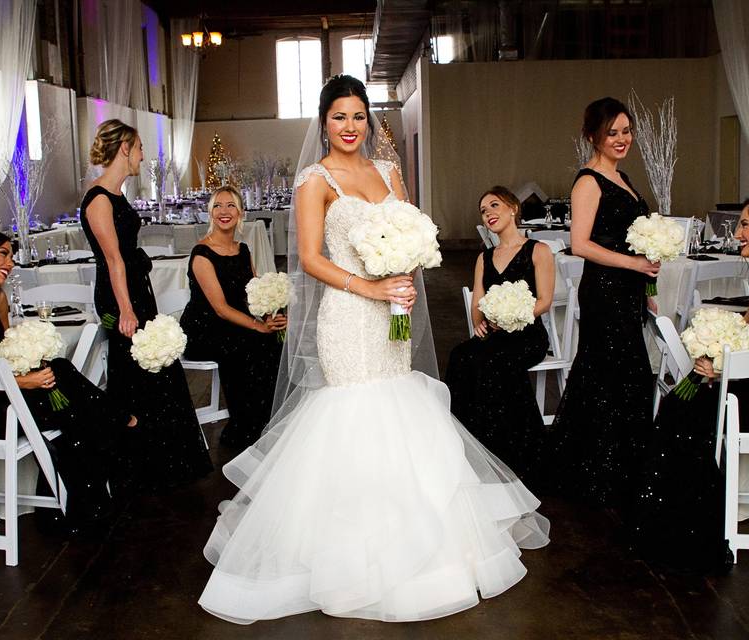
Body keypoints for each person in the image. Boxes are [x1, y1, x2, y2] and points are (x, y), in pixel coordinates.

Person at [198, 75, 549, 624]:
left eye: (358, 115)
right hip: (348, 314)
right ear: (324, 123)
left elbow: (413, 232)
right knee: (354, 413)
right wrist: (371, 287)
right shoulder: (315, 181)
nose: (349, 126)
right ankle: (346, 558)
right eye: (339, 117)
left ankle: (420, 545)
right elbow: (311, 258)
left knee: (400, 404)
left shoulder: (389, 172)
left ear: (368, 120)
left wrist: (404, 280)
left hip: (393, 310)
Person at [631, 193, 749, 574]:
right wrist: (713, 349)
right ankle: (670, 524)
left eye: (745, 225)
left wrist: (724, 371)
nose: (737, 234)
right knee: (678, 403)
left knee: (690, 415)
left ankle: (693, 531)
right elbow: (747, 330)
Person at [0, 229, 135, 530]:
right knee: (70, 402)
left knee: (63, 380)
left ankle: (81, 499)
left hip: (4, 396)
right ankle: (121, 428)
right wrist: (25, 382)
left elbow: (6, 352)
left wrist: (32, 367)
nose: (11, 262)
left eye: (12, 256)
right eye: (3, 253)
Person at [81, 119, 212, 491]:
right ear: (124, 147)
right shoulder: (98, 199)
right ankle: (138, 467)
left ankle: (164, 461)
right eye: (139, 148)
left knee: (157, 369)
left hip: (137, 290)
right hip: (119, 294)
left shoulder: (117, 195)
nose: (142, 156)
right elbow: (113, 260)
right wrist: (125, 309)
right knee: (132, 371)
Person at [547, 97, 658, 510]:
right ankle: (599, 471)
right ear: (593, 135)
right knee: (609, 373)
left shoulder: (624, 177)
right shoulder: (589, 181)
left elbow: (637, 240)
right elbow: (579, 244)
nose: (622, 139)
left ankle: (619, 467)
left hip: (627, 291)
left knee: (623, 374)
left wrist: (647, 288)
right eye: (612, 132)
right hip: (605, 293)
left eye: (626, 131)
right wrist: (634, 263)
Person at [445, 186, 555, 483]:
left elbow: (544, 300)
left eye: (494, 205)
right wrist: (479, 322)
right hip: (494, 334)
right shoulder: (485, 256)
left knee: (494, 363)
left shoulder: (538, 251)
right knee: (460, 356)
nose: (489, 213)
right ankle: (471, 444)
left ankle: (515, 450)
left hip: (527, 334)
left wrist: (513, 316)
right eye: (483, 211)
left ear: (513, 208)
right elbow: (478, 300)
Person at [180, 185, 285, 449]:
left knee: (274, 343)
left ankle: (266, 420)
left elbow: (254, 292)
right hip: (205, 327)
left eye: (231, 206)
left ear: (241, 213)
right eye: (218, 206)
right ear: (210, 212)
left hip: (236, 322)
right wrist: (257, 327)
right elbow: (220, 307)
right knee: (248, 345)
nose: (224, 212)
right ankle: (244, 426)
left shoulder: (243, 249)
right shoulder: (202, 253)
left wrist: (271, 317)